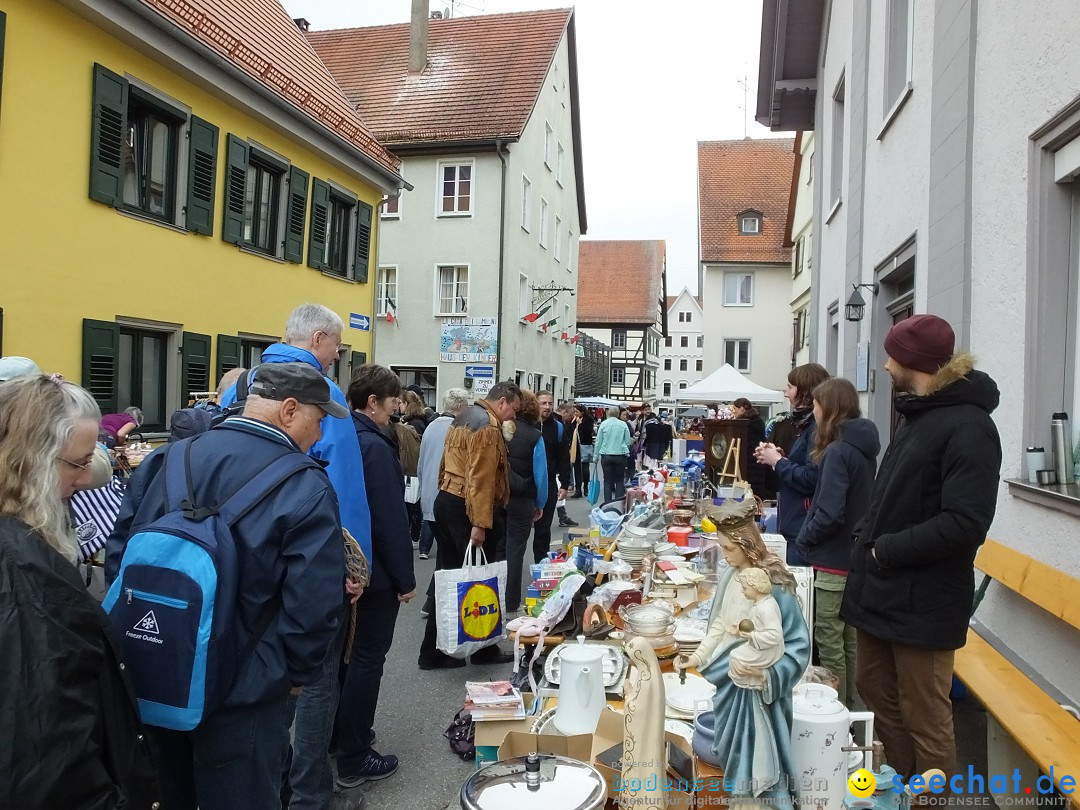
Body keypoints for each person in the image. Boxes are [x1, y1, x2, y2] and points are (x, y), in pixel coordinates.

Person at [107, 362, 349, 810]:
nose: (318, 436)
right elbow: (314, 602)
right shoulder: (305, 484)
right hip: (246, 689)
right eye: (318, 421)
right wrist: (294, 676)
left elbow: (120, 558)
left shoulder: (168, 457)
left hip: (157, 670)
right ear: (290, 410)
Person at [219, 304, 370, 810]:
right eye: (337, 346)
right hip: (302, 552)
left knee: (253, 683)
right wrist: (355, 564)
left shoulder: (241, 385)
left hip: (237, 565)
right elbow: (343, 485)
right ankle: (310, 795)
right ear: (320, 339)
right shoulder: (317, 391)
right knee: (313, 680)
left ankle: (271, 786)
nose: (337, 355)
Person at [842, 315, 1001, 780]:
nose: (886, 365)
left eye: (892, 354)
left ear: (912, 360)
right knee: (873, 686)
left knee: (925, 715)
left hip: (925, 600)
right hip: (882, 592)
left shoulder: (969, 426)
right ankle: (903, 786)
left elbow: (965, 523)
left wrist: (883, 551)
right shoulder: (919, 414)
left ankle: (928, 795)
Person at [0, 374, 160, 809]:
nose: (87, 477)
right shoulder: (23, 570)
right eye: (79, 462)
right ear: (33, 460)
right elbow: (43, 750)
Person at [674, 502, 809, 806]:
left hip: (760, 690)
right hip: (732, 678)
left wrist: (767, 675)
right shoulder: (729, 577)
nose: (724, 555)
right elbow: (719, 626)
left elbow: (797, 647)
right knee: (735, 750)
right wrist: (696, 657)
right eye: (721, 547)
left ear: (746, 545)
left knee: (762, 753)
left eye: (728, 548)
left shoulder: (774, 587)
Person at [336, 365, 417, 788]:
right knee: (367, 661)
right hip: (375, 574)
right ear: (373, 403)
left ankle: (343, 737)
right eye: (392, 401)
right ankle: (353, 755)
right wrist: (405, 578)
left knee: (348, 662)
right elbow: (389, 518)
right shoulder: (374, 445)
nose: (397, 407)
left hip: (350, 567)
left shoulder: (341, 435)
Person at [417, 381, 521, 670]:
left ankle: (432, 651)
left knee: (448, 577)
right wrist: (480, 523)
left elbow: (446, 464)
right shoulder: (487, 427)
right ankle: (482, 648)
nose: (514, 416)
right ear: (502, 402)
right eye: (513, 409)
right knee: (479, 580)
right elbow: (481, 479)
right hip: (467, 508)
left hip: (448, 501)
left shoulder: (463, 416)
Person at [793, 378, 879, 707]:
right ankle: (854, 712)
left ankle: (834, 714)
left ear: (828, 409)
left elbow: (830, 512)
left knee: (829, 642)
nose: (812, 412)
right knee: (849, 642)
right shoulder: (862, 449)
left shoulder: (838, 451)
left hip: (831, 563)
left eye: (815, 405)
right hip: (852, 559)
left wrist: (804, 539)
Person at [754, 363, 830, 566]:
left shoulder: (816, 429)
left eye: (790, 387)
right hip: (796, 524)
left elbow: (812, 478)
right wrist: (779, 458)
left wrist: (778, 462)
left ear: (805, 390)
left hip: (801, 527)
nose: (786, 393)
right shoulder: (807, 425)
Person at [503, 390, 547, 613]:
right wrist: (540, 504)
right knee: (515, 551)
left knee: (498, 549)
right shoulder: (535, 436)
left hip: (500, 497)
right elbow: (541, 476)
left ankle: (493, 598)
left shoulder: (500, 429)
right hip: (523, 500)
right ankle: (511, 602)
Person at [417, 388, 470, 564]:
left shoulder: (430, 427)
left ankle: (434, 591)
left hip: (429, 499)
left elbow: (420, 466)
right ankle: (435, 591)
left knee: (445, 554)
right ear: (461, 406)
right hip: (449, 499)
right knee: (452, 556)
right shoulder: (460, 429)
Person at [727, 567, 785, 690]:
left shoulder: (766, 608)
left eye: (745, 588)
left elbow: (775, 635)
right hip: (761, 645)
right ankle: (752, 680)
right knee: (735, 654)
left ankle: (754, 683)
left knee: (735, 656)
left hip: (769, 650)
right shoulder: (761, 603)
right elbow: (757, 624)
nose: (742, 592)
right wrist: (740, 627)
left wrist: (752, 635)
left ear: (755, 587)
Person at [533, 391, 573, 562]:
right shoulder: (525, 424)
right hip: (527, 484)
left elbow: (564, 457)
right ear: (535, 404)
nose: (547, 407)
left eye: (550, 403)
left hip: (549, 483)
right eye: (543, 403)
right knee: (518, 532)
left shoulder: (557, 428)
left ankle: (540, 565)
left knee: (543, 530)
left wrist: (565, 484)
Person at [731, 397, 775, 500]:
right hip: (758, 463)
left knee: (749, 498)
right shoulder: (757, 422)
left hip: (747, 466)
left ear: (742, 409)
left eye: (735, 408)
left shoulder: (742, 426)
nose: (733, 411)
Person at [594, 407, 633, 503]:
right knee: (619, 480)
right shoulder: (623, 424)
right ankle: (618, 503)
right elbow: (628, 441)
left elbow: (598, 441)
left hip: (606, 455)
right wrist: (625, 448)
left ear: (608, 414)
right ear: (618, 414)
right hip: (620, 455)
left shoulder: (603, 424)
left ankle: (608, 504)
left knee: (607, 481)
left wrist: (595, 457)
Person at [571, 404, 595, 498]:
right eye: (574, 412)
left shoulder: (588, 420)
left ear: (582, 412)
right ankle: (578, 490)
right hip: (576, 446)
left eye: (577, 412)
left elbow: (588, 432)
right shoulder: (573, 420)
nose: (575, 414)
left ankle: (586, 488)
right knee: (577, 468)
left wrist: (580, 424)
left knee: (585, 468)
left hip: (584, 445)